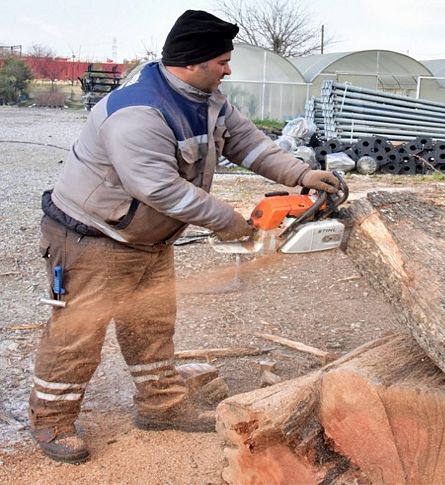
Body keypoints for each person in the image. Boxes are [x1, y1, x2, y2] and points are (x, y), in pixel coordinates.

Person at [28, 10, 339, 464]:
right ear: (192, 62)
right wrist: (230, 221)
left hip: (149, 238)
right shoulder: (138, 113)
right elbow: (159, 188)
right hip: (92, 237)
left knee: (152, 325)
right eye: (222, 61)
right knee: (77, 333)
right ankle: (51, 420)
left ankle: (162, 406)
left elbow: (249, 144)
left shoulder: (206, 97)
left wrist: (301, 173)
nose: (228, 69)